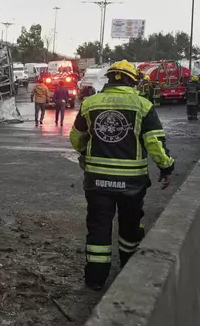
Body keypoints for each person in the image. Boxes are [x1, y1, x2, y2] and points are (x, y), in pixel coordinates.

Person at [69, 60, 174, 291]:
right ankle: (128, 273)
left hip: (97, 181)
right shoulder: (143, 105)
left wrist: (86, 152)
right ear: (132, 80)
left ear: (110, 78)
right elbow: (154, 142)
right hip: (132, 184)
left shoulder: (90, 103)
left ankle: (95, 279)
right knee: (130, 229)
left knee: (98, 229)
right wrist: (166, 167)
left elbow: (76, 138)